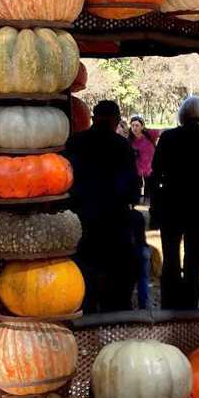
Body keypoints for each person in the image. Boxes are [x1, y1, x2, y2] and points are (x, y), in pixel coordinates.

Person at [66, 100, 141, 312]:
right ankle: (114, 322)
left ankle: (86, 318)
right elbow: (133, 190)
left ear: (93, 118)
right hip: (115, 223)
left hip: (82, 221)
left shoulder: (75, 142)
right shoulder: (122, 146)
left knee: (84, 278)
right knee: (117, 284)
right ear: (117, 120)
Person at [149, 95, 199, 310]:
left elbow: (156, 172)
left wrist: (155, 205)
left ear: (182, 115)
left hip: (171, 203)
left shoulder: (168, 138)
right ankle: (190, 307)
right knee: (194, 261)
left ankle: (169, 306)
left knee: (170, 258)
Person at [129, 115, 156, 200]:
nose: (134, 128)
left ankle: (147, 201)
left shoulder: (149, 134)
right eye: (132, 125)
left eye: (137, 125)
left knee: (149, 192)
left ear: (142, 126)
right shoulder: (129, 139)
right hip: (137, 170)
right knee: (137, 191)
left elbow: (163, 132)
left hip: (150, 168)